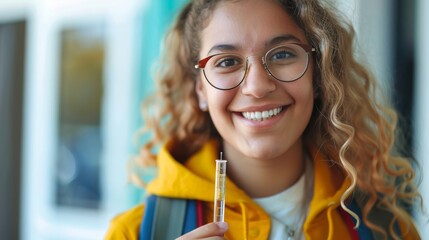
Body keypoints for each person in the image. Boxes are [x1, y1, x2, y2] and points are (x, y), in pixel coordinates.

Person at [105, 0, 423, 239]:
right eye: (227, 62)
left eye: (283, 54)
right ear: (200, 88)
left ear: (319, 72)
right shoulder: (132, 233)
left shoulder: (386, 229)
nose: (257, 87)